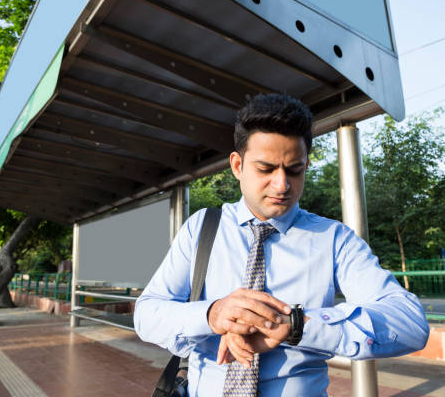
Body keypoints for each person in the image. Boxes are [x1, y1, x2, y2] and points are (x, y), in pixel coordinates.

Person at [134, 94, 429, 396]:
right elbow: (146, 314)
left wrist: (295, 325)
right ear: (237, 165)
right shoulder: (202, 228)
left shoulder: (333, 239)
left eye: (294, 170)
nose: (282, 185)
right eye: (265, 169)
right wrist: (212, 314)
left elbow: (410, 324)